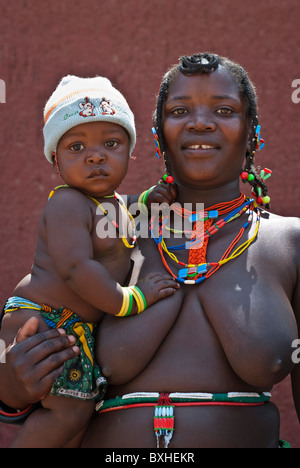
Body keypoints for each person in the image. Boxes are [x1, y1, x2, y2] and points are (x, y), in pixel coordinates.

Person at [1, 52, 300, 448]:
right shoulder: (113, 230)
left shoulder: (290, 243)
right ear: (157, 133)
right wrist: (10, 380)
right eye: (180, 110)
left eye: (224, 109)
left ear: (251, 130)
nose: (200, 122)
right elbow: (36, 299)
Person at [0, 74, 178, 448]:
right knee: (68, 413)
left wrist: (147, 200)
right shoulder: (66, 203)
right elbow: (76, 268)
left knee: (79, 419)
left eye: (110, 143)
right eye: (76, 147)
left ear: (130, 151)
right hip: (43, 318)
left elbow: (121, 217)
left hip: (71, 327)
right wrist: (132, 299)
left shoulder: (110, 206)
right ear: (56, 163)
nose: (95, 156)